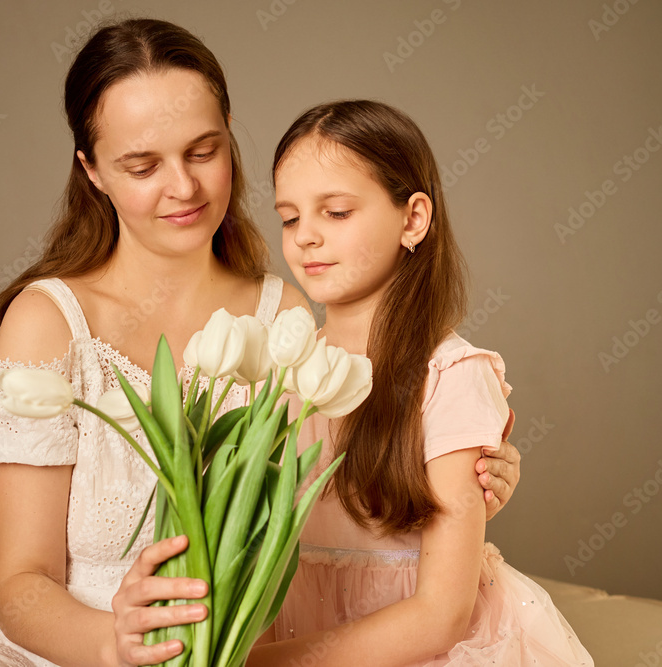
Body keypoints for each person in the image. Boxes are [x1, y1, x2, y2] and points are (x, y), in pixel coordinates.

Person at [0, 20, 522, 667]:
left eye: (203, 151)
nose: (183, 188)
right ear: (92, 171)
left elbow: (333, 497)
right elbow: (19, 583)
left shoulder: (284, 315)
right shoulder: (45, 322)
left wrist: (457, 474)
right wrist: (112, 642)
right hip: (70, 649)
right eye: (143, 165)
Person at [237, 100, 589, 665]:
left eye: (336, 212)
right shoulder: (281, 366)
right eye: (290, 216)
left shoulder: (449, 376)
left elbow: (439, 617)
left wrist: (268, 663)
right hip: (298, 634)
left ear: (413, 219)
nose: (305, 237)